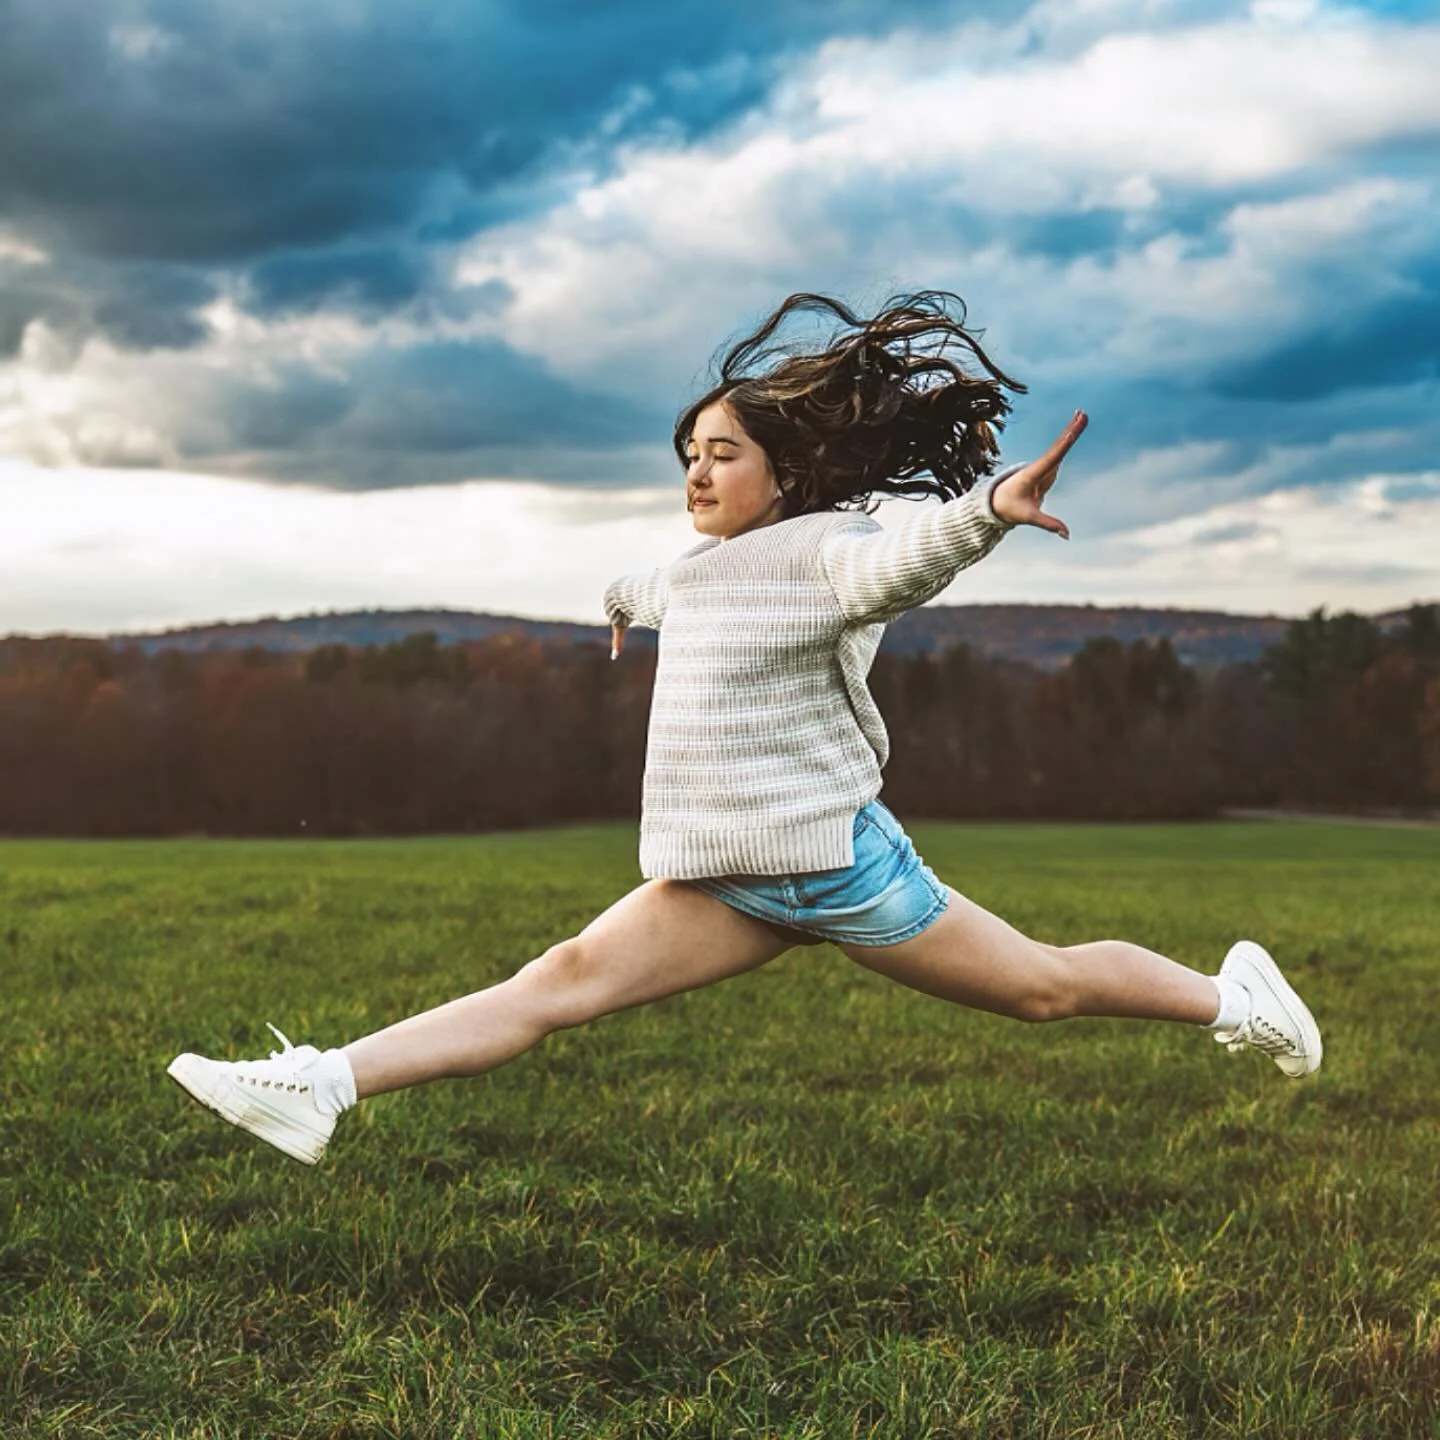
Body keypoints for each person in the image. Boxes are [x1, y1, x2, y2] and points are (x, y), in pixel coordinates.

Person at [167, 292, 1321, 1167]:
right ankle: (316, 1086)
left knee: (1043, 989)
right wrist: (621, 600)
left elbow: (904, 559)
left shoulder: (825, 557)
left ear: (785, 471)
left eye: (723, 453)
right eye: (688, 456)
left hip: (837, 871)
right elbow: (655, 585)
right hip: (726, 879)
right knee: (555, 980)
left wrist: (986, 513)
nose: (696, 472)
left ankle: (1237, 1001)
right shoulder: (703, 571)